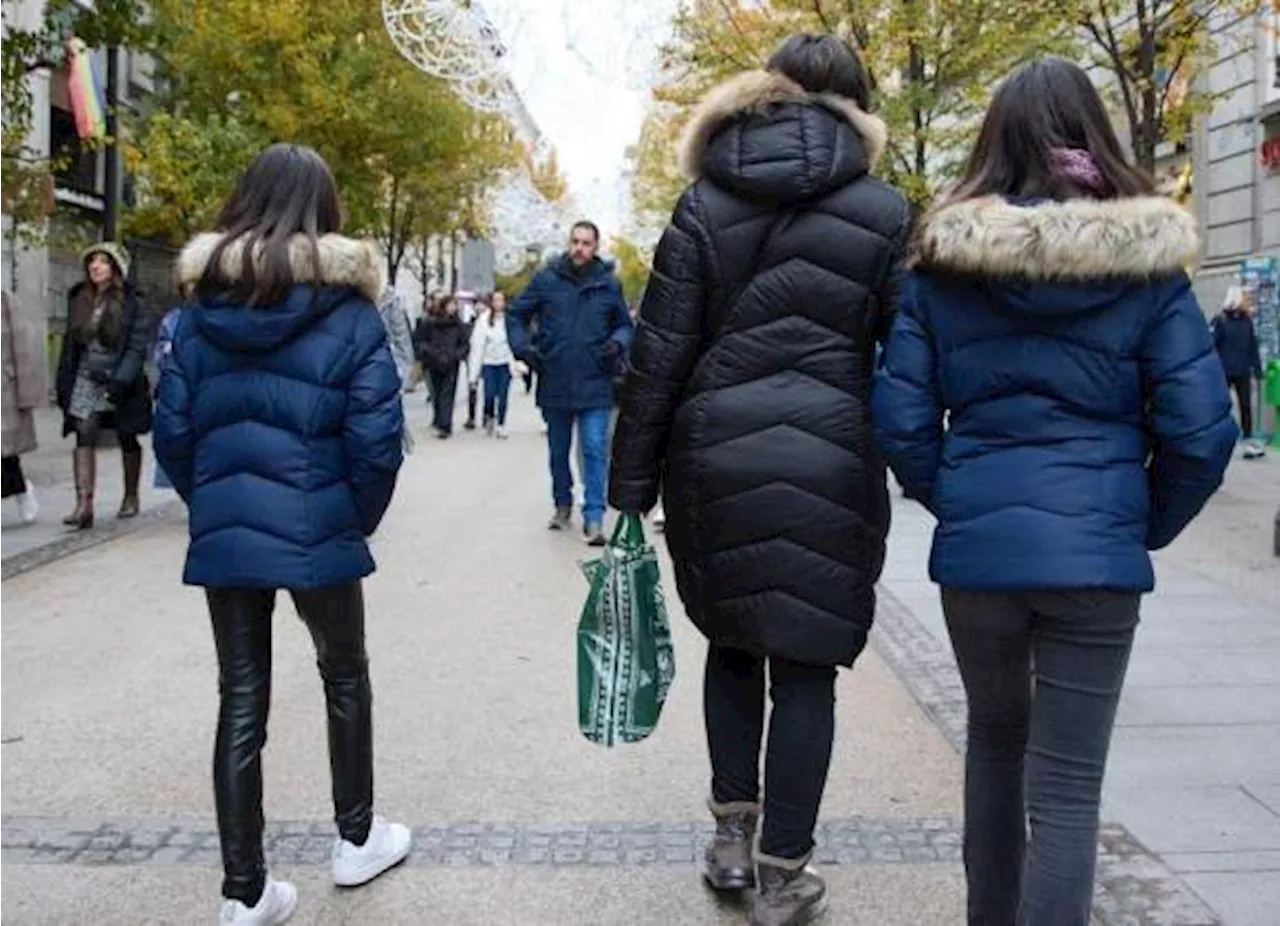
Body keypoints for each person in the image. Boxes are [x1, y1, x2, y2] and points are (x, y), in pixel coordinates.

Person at [872, 58, 1237, 926]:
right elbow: (1201, 428)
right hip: (1096, 559)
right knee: (1069, 785)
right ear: (1094, 135)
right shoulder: (1148, 268)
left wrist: (957, 497)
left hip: (982, 559)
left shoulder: (940, 264)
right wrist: (1141, 523)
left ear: (992, 141)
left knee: (996, 745)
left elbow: (901, 417)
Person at [609, 34, 910, 926]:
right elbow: (909, 362)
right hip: (831, 455)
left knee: (733, 646)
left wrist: (626, 494)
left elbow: (656, 358)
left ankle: (730, 841)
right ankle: (785, 874)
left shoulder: (703, 202)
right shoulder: (888, 212)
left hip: (714, 457)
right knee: (808, 669)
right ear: (859, 104)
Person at [153, 143, 409, 926]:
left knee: (240, 698)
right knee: (344, 675)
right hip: (319, 522)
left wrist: (217, 506)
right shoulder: (352, 311)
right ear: (322, 210)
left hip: (228, 529)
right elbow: (376, 439)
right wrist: (347, 517)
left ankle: (245, 892)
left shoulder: (197, 316)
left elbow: (173, 432)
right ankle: (356, 839)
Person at [508, 220, 633, 546]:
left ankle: (594, 517)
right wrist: (523, 348)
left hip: (596, 380)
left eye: (586, 243)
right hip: (556, 378)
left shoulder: (608, 285)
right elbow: (515, 314)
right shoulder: (547, 280)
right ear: (569, 243)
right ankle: (562, 503)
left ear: (596, 247)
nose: (579, 248)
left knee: (594, 448)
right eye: (575, 241)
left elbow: (625, 324)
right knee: (558, 451)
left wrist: (618, 343)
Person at [53, 241, 154, 530]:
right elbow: (71, 345)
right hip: (86, 374)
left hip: (120, 375)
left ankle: (131, 494)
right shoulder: (79, 297)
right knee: (84, 430)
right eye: (92, 261)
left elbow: (137, 345)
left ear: (116, 268)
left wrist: (121, 379)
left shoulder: (132, 301)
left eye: (103, 261)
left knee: (126, 434)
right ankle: (84, 504)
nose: (96, 266)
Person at [0, 288, 42, 526]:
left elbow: (23, 347)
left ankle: (22, 490)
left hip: (3, 387)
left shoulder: (5, 301)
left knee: (6, 454)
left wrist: (26, 392)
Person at [413, 294, 470, 439]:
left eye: (455, 304)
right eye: (451, 304)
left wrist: (456, 355)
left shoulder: (459, 325)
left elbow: (464, 344)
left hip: (451, 363)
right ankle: (439, 420)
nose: (453, 307)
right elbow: (420, 341)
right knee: (436, 393)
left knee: (448, 393)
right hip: (434, 362)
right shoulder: (430, 324)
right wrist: (430, 353)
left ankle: (446, 425)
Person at [1212, 285, 1262, 442]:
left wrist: (1257, 368)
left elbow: (1252, 346)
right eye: (1246, 299)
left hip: (1242, 370)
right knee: (1220, 404)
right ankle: (1217, 434)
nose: (1249, 302)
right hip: (1224, 370)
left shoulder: (1247, 322)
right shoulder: (1220, 320)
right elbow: (1212, 345)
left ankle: (1247, 436)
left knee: (1245, 405)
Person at [468, 290, 515, 438]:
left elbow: (516, 342)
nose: (498, 303)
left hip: (505, 363)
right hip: (489, 363)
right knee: (489, 394)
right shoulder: (484, 320)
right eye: (495, 300)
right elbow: (477, 346)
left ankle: (501, 424)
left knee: (503, 395)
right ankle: (489, 415)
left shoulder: (510, 319)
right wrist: (473, 374)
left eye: (501, 300)